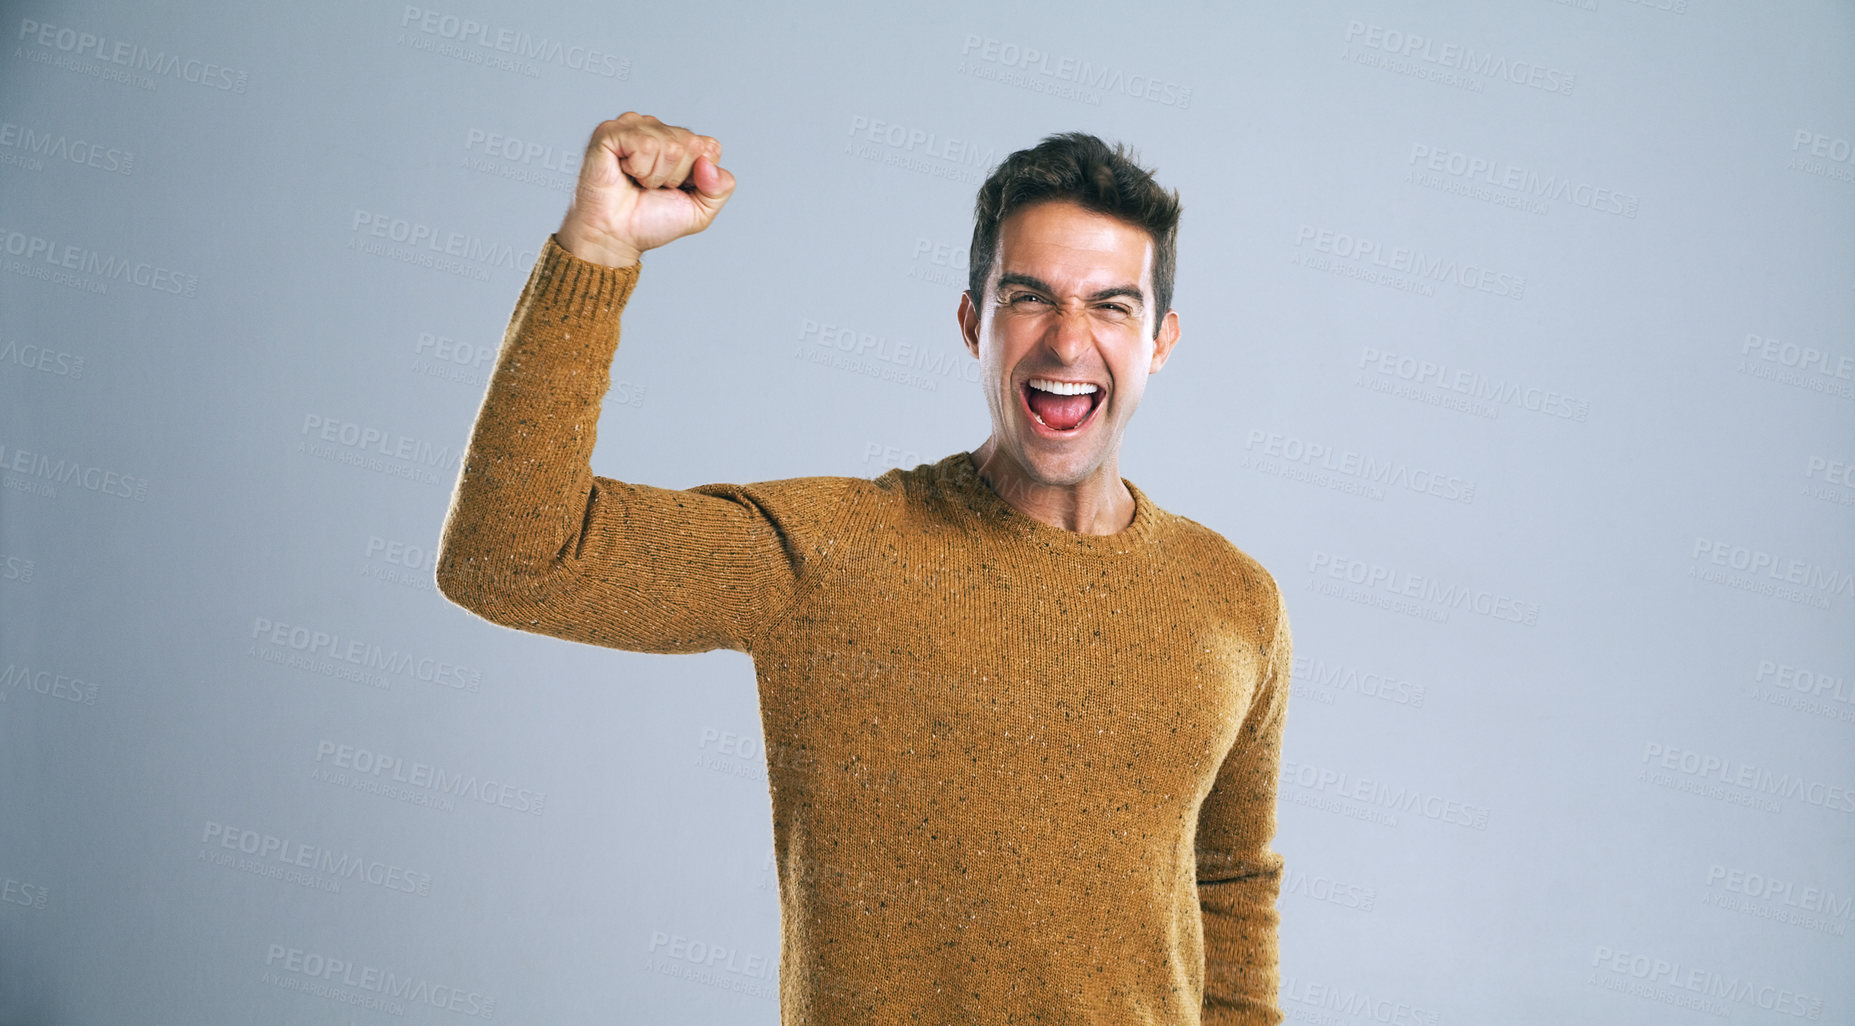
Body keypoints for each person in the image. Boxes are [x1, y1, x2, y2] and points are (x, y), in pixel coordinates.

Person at [437, 111, 1293, 1026]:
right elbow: (510, 555)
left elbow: (1230, 884)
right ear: (974, 325)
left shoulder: (1232, 603)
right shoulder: (834, 556)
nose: (1066, 342)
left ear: (1160, 339)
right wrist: (598, 250)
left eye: (1111, 305)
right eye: (1029, 298)